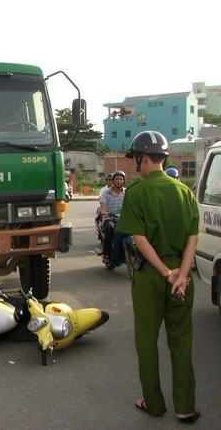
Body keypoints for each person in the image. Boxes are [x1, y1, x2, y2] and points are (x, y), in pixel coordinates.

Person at [117, 131, 200, 423]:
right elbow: (193, 237)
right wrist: (181, 275)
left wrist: (166, 273)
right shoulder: (184, 191)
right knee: (181, 341)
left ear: (142, 158)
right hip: (183, 275)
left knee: (147, 341)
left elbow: (139, 240)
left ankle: (153, 403)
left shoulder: (137, 193)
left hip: (152, 276)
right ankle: (185, 407)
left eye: (136, 158)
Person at [99, 171, 126, 265]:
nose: (119, 181)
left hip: (122, 218)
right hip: (109, 217)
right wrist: (103, 212)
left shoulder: (126, 192)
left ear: (124, 181)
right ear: (113, 181)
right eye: (117, 179)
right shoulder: (106, 192)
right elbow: (102, 205)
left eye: (121, 179)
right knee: (110, 228)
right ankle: (106, 254)